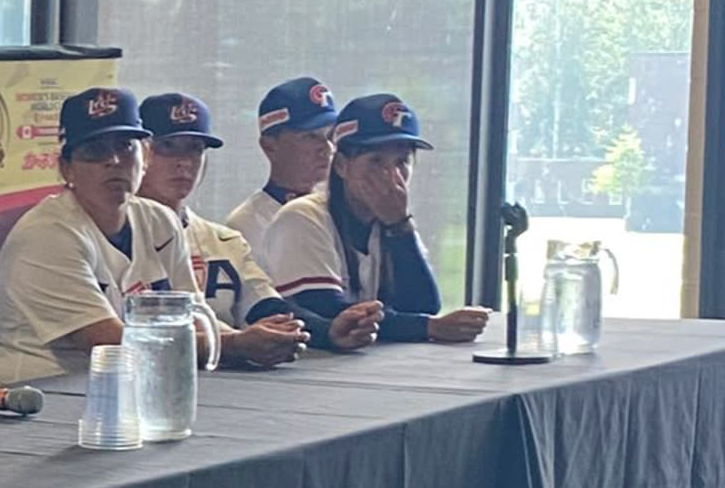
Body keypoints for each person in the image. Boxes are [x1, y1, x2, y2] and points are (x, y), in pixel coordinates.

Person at [0, 86, 212, 385]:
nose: (113, 161)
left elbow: (195, 313)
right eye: (95, 151)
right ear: (66, 169)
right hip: (23, 397)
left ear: (144, 155)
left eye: (125, 146)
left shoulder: (160, 221)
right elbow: (109, 344)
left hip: (115, 387)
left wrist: (236, 339)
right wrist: (230, 345)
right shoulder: (46, 234)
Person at [249, 93, 492, 347]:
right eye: (376, 162)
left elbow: (423, 304)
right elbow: (326, 309)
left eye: (401, 162)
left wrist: (400, 225)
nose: (391, 175)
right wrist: (428, 327)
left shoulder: (392, 221)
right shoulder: (301, 216)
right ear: (342, 166)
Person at [133, 91, 331, 361]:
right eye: (168, 146)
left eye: (195, 148)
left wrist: (325, 331)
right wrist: (237, 342)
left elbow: (266, 304)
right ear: (140, 152)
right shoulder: (114, 235)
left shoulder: (224, 240)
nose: (184, 162)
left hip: (226, 384)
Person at [221, 76, 339, 241]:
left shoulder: (346, 212)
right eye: (310, 136)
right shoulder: (247, 226)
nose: (327, 147)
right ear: (270, 146)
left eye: (330, 135)